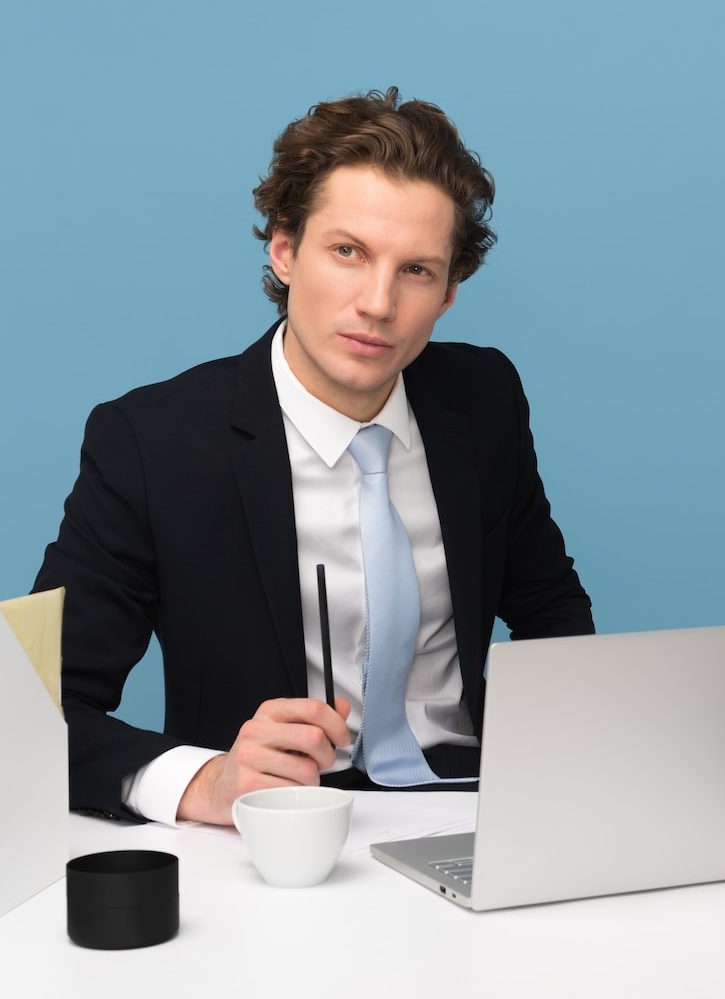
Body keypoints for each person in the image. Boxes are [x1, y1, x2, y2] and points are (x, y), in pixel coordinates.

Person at [33, 88, 594, 827]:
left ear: (451, 292)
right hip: (270, 833)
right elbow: (38, 710)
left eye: (417, 271)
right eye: (348, 252)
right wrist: (205, 781)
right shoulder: (150, 443)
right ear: (285, 250)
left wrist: (565, 766)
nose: (378, 303)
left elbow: (551, 609)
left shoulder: (483, 400)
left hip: (474, 811)